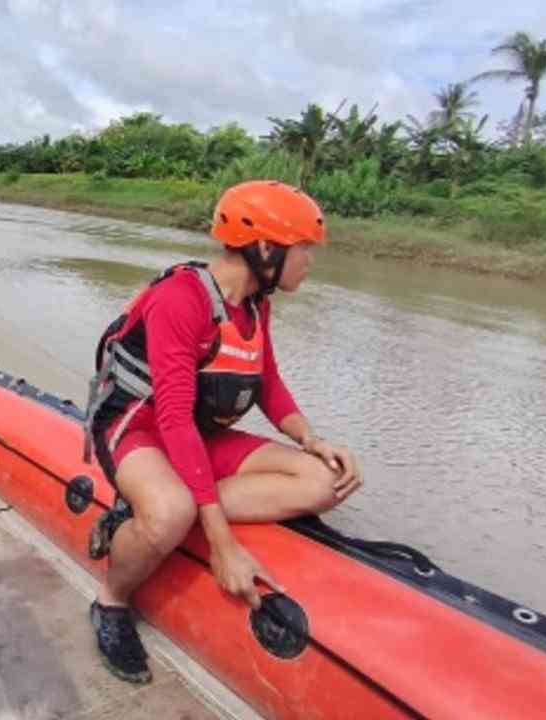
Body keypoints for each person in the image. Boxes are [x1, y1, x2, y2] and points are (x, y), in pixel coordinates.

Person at [83, 180, 362, 684]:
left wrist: (311, 439)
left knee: (323, 480)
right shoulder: (181, 298)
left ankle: (141, 516)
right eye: (304, 250)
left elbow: (268, 382)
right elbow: (171, 416)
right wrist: (222, 545)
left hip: (200, 433)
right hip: (139, 426)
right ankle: (111, 601)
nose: (310, 263)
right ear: (265, 249)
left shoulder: (256, 304)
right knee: (171, 509)